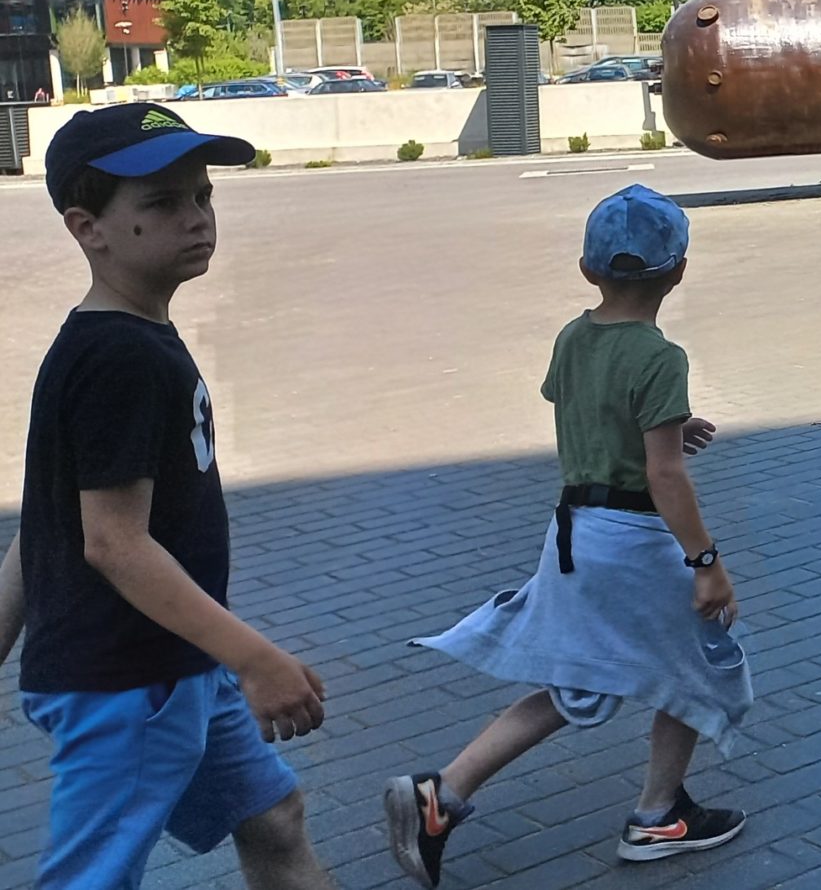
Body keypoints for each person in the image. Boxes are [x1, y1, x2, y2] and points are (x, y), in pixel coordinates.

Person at [0, 103, 336, 889]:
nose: (196, 217)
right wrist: (256, 658)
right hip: (128, 683)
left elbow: (43, 525)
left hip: (174, 666)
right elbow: (113, 543)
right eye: (161, 202)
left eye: (202, 195)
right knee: (93, 876)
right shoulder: (119, 356)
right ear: (88, 228)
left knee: (273, 819)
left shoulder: (121, 337)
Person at [385, 184, 751, 888]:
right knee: (702, 668)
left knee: (578, 684)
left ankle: (442, 796)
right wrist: (706, 561)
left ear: (587, 270)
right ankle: (658, 817)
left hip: (574, 534)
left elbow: (591, 408)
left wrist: (669, 423)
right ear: (679, 270)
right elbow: (664, 476)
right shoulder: (660, 355)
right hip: (634, 542)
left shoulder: (573, 338)